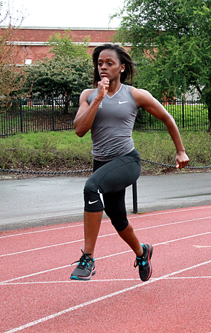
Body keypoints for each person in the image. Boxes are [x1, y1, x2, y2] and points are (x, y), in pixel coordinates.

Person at [70, 44, 189, 281]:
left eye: (109, 63)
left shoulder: (135, 95)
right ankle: (142, 252)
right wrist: (98, 98)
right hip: (102, 164)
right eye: (100, 63)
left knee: (91, 188)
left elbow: (167, 117)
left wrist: (180, 151)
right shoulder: (88, 95)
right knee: (118, 219)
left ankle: (88, 258)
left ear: (121, 68)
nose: (103, 67)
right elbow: (80, 130)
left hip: (127, 161)